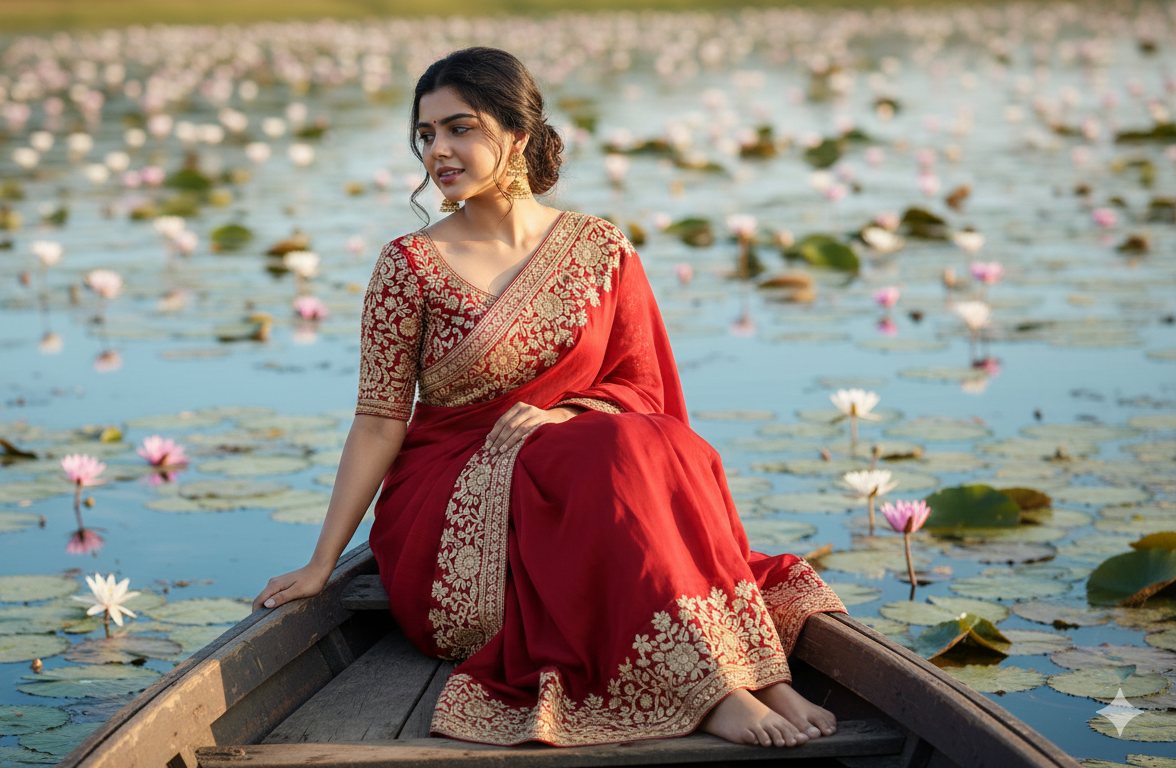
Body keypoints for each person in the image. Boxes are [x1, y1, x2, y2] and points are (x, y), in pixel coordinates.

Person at [252, 46, 848, 750]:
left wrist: (564, 415)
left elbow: (646, 389)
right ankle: (713, 689)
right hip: (452, 499)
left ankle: (759, 674)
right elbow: (379, 422)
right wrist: (322, 563)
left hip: (586, 465)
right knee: (604, 450)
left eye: (460, 128)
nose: (437, 150)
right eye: (426, 133)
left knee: (656, 441)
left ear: (518, 136)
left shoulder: (600, 247)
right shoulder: (408, 265)